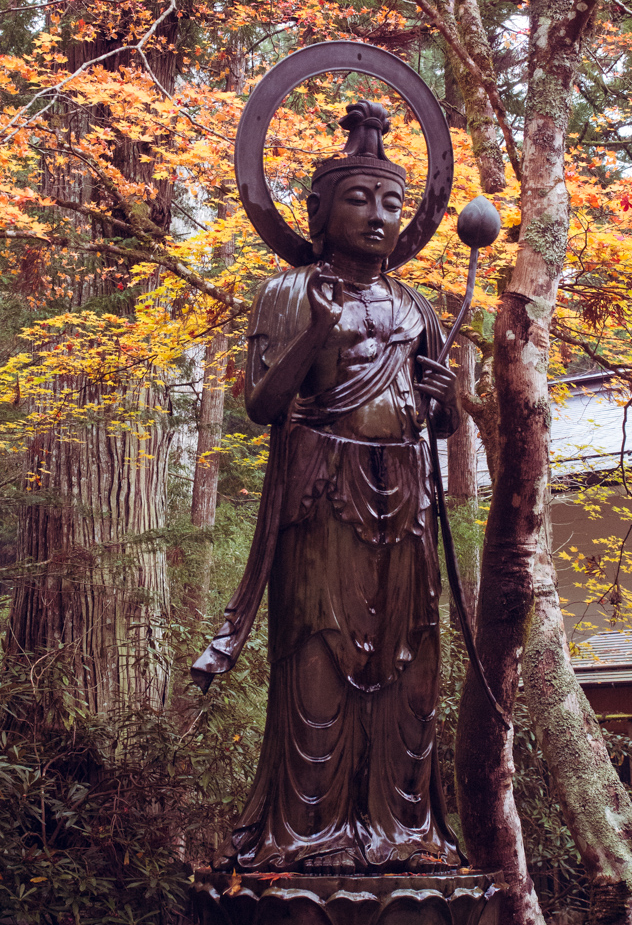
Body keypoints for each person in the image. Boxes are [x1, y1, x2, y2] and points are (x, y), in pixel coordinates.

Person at [192, 101, 463, 874]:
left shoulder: (416, 307)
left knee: (411, 659)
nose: (377, 216)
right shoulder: (287, 291)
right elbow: (261, 407)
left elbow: (440, 419)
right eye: (358, 198)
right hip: (322, 489)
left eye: (390, 203)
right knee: (321, 650)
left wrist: (445, 406)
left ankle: (402, 831)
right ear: (317, 210)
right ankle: (307, 835)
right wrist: (313, 329)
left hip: (404, 492)